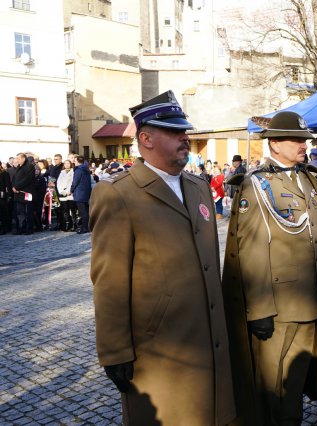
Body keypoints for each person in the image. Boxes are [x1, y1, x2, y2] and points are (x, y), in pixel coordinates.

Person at [90, 90, 250, 425]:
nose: (185, 138)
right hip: (161, 346)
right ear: (145, 138)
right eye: (174, 132)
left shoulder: (198, 186)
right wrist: (115, 351)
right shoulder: (119, 193)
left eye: (185, 130)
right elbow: (109, 280)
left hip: (208, 338)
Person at [223, 110, 317, 425]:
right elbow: (251, 248)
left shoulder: (309, 179)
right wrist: (259, 309)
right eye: (296, 140)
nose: (304, 145)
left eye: (305, 139)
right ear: (274, 144)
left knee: (294, 384)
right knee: (272, 386)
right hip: (278, 307)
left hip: (311, 301)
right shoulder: (257, 185)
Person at [11, 153, 36, 235]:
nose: (17, 160)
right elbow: (14, 178)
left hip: (26, 193)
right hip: (18, 193)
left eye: (18, 158)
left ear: (23, 158)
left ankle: (29, 229)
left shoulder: (30, 166)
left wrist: (17, 187)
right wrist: (13, 187)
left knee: (28, 211)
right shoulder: (18, 166)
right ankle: (22, 227)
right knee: (20, 212)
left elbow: (27, 179)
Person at [70, 155, 92, 234]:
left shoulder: (78, 170)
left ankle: (84, 228)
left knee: (83, 212)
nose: (74, 162)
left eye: (75, 161)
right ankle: (88, 226)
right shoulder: (86, 169)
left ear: (77, 161)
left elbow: (75, 182)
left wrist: (71, 190)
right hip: (86, 192)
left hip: (79, 193)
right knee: (86, 211)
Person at [57, 160, 77, 232]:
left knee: (72, 209)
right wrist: (61, 191)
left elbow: (72, 182)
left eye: (68, 163)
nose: (66, 165)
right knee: (65, 210)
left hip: (70, 193)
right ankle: (67, 224)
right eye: (65, 163)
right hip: (62, 193)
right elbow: (58, 182)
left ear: (70, 164)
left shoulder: (73, 172)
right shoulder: (62, 172)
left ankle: (74, 225)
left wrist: (69, 191)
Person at [0, 161, 12, 234]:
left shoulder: (4, 173)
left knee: (3, 213)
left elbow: (8, 185)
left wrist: (9, 195)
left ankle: (5, 228)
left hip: (2, 195)